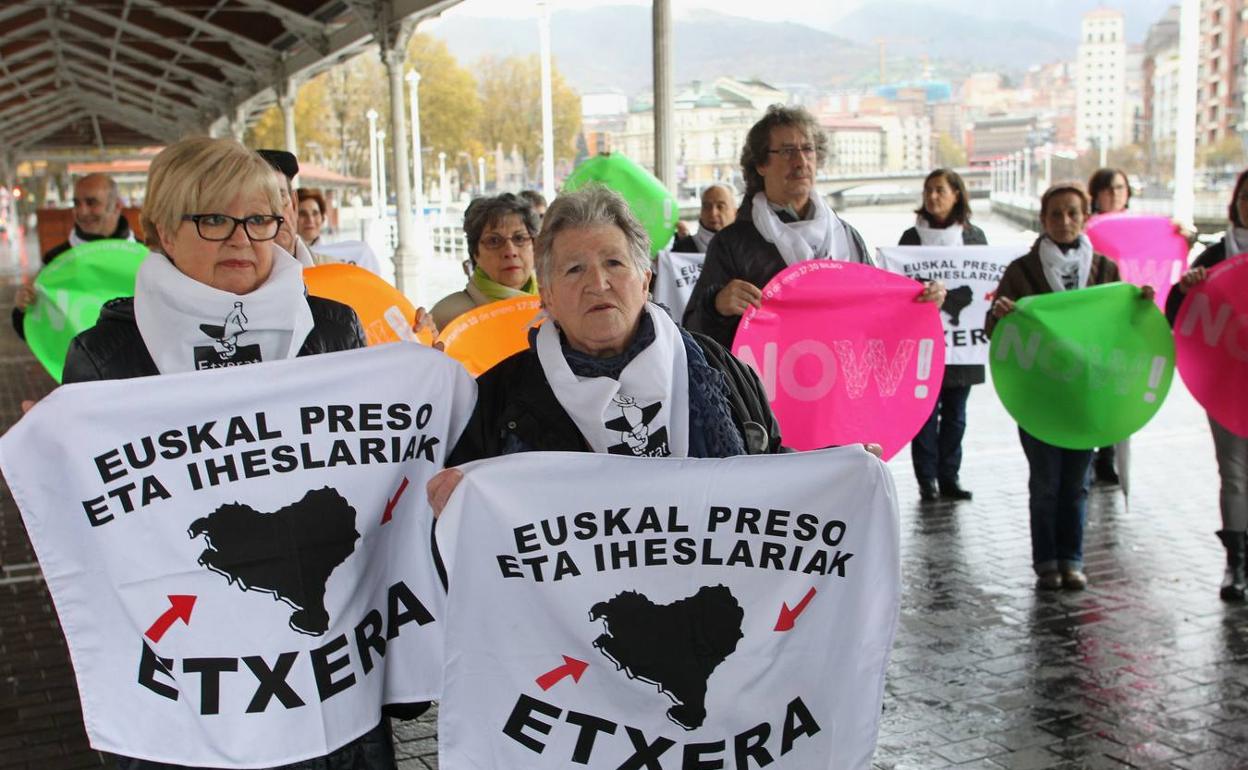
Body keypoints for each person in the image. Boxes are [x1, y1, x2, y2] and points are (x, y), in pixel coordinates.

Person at [59, 137, 396, 770]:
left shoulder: (334, 329)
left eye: (260, 219)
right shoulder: (108, 355)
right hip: (193, 670)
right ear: (161, 228)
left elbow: (377, 472)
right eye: (212, 219)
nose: (241, 238)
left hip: (323, 667)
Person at [426, 185, 797, 513]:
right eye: (574, 269)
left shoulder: (720, 371)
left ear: (645, 281)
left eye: (614, 263)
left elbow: (775, 477)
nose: (598, 284)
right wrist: (454, 505)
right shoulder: (497, 400)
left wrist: (841, 479)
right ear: (547, 297)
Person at [985, 182, 1153, 592]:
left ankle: (1073, 559)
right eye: (1056, 214)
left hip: (1086, 396)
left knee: (1077, 482)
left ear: (1085, 217)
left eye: (1073, 213)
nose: (1064, 221)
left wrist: (1143, 307)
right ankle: (1047, 561)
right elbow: (993, 331)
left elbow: (1123, 328)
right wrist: (1000, 314)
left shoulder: (1105, 271)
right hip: (1037, 397)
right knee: (1045, 481)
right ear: (1043, 220)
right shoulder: (1022, 271)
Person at [683, 104, 945, 349]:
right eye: (786, 151)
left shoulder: (847, 236)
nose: (800, 161)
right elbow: (694, 333)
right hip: (763, 392)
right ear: (761, 164)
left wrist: (919, 299)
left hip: (838, 386)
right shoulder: (731, 243)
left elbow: (876, 311)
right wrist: (717, 306)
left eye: (807, 149)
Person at [1165, 168, 1248, 601]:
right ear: (1235, 204)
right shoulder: (1214, 257)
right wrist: (1185, 288)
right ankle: (1237, 563)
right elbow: (1175, 315)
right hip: (1226, 384)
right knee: (1233, 474)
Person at [898, 169, 986, 503]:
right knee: (923, 415)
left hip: (962, 347)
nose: (932, 197)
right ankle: (927, 480)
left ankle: (950, 476)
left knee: (956, 416)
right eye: (928, 191)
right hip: (924, 345)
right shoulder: (910, 237)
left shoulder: (974, 236)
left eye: (940, 190)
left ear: (957, 195)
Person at [12, 173, 136, 338]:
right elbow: (36, 332)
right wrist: (22, 308)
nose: (82, 211)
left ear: (117, 206)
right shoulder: (56, 260)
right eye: (76, 203)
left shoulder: (143, 257)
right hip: (78, 362)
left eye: (92, 203)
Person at [430, 193, 541, 330]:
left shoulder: (557, 306)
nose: (510, 251)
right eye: (494, 241)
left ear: (534, 247)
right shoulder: (448, 317)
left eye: (519, 238)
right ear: (475, 253)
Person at [673, 183, 738, 253]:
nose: (713, 213)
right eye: (707, 206)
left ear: (735, 212)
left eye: (720, 207)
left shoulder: (746, 248)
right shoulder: (680, 250)